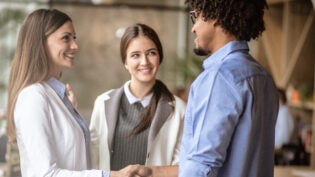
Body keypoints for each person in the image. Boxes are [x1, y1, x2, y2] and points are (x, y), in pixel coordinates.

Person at [6, 9, 151, 177]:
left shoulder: (59, 97)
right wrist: (110, 175)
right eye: (66, 38)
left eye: (73, 38)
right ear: (41, 42)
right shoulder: (33, 97)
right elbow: (45, 174)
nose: (75, 46)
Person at [179, 1, 279, 177]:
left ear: (214, 16)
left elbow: (202, 165)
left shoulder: (219, 78)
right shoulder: (263, 78)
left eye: (196, 16)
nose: (194, 28)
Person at [89, 23, 186, 177]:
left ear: (159, 57)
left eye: (151, 53)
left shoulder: (178, 109)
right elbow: (92, 158)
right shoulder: (103, 103)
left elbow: (182, 166)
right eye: (135, 55)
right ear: (125, 62)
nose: (144, 62)